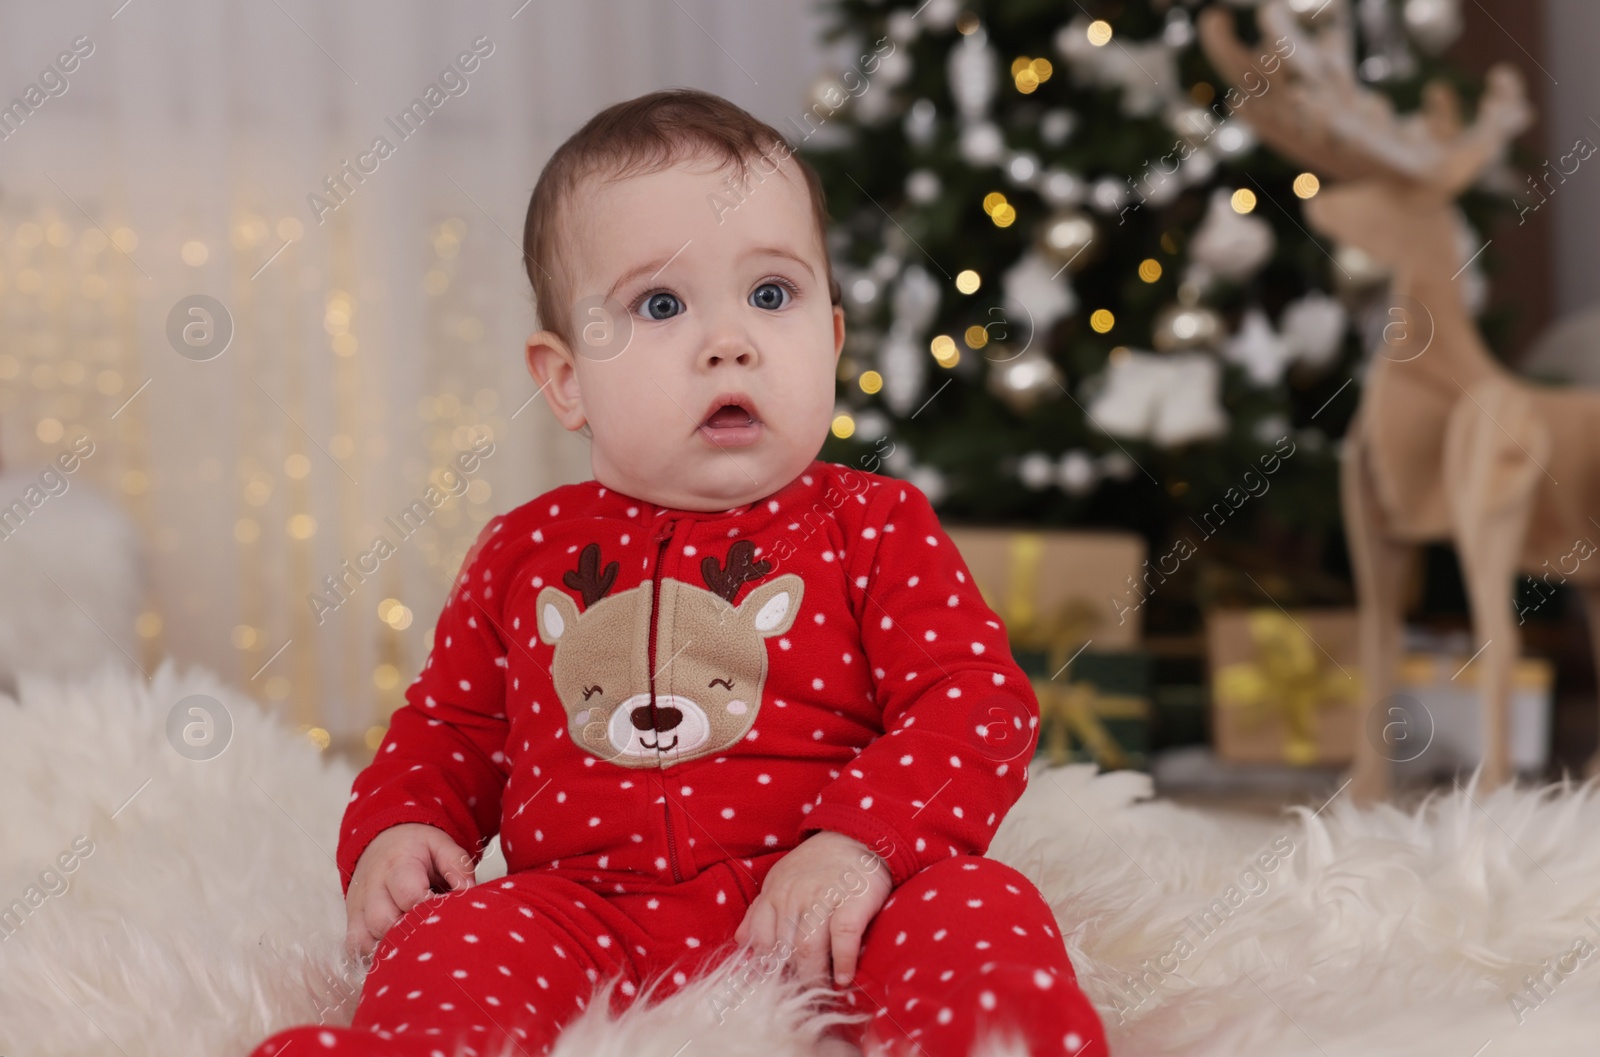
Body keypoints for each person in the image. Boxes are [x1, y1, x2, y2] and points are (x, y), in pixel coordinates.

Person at [248, 87, 1106, 1057]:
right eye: (660, 303)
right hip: (580, 908)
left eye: (771, 294)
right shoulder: (521, 551)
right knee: (455, 932)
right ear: (566, 378)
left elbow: (974, 700)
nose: (728, 340)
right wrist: (397, 832)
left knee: (975, 902)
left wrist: (861, 845)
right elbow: (449, 728)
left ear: (829, 337)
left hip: (826, 908)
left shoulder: (870, 524)